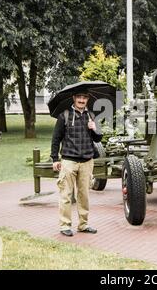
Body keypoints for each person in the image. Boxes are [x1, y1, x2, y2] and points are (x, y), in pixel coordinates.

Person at [50, 89, 102, 236]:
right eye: (79, 97)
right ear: (74, 98)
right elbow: (55, 139)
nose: (81, 100)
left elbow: (98, 139)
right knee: (66, 194)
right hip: (68, 161)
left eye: (84, 97)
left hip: (87, 161)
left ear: (87, 100)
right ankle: (65, 225)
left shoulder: (91, 116)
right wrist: (55, 159)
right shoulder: (64, 116)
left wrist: (94, 129)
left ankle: (83, 224)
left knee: (84, 195)